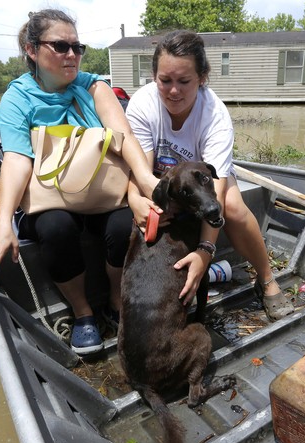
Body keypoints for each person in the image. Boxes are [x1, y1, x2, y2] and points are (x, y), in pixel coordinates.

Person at [0, 9, 159, 355]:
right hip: (49, 199)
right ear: (32, 50)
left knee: (123, 225)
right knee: (56, 227)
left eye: (77, 46)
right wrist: (2, 224)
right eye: (60, 46)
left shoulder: (94, 86)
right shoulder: (17, 97)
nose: (71, 55)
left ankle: (116, 300)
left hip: (101, 193)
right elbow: (16, 158)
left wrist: (147, 183)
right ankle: (83, 313)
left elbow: (125, 136)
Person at [126, 30, 294, 320]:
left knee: (233, 208)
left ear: (202, 78)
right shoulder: (142, 104)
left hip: (205, 181)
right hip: (163, 182)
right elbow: (140, 169)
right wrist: (134, 201)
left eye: (184, 81)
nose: (174, 91)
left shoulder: (214, 115)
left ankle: (266, 279)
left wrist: (205, 251)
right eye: (165, 81)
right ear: (154, 76)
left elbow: (214, 191)